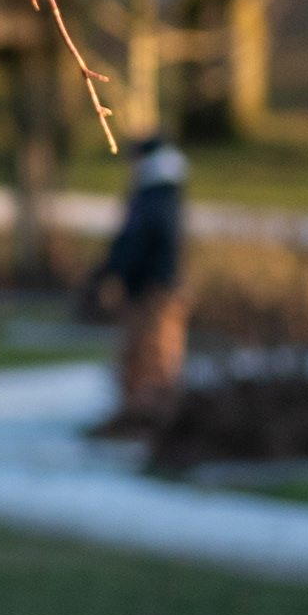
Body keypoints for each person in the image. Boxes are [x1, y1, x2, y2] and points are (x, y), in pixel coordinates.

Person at [89, 137, 188, 416]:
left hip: (153, 289)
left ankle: (153, 415)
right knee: (142, 356)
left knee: (153, 357)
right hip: (152, 287)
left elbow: (137, 241)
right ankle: (140, 413)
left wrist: (117, 271)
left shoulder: (152, 197)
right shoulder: (163, 193)